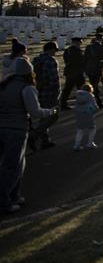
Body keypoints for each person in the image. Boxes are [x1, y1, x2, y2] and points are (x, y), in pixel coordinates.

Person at [0, 59, 56, 214]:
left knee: (16, 164)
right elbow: (35, 112)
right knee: (12, 167)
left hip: (2, 127)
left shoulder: (4, 85)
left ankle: (14, 196)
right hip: (16, 129)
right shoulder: (26, 88)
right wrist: (51, 111)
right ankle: (4, 202)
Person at [31, 42, 61, 149]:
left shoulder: (36, 60)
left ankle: (45, 140)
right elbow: (54, 80)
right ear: (51, 49)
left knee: (44, 116)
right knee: (54, 115)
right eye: (55, 49)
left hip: (38, 90)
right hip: (50, 92)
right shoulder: (51, 61)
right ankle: (34, 135)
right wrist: (57, 93)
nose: (56, 52)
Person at [83, 34, 103, 107]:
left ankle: (95, 102)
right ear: (101, 39)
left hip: (89, 68)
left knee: (93, 85)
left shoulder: (88, 47)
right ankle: (98, 103)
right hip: (97, 69)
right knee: (95, 87)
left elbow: (85, 58)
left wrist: (85, 69)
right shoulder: (102, 47)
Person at [60, 37, 85, 110]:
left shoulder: (67, 50)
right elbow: (80, 61)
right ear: (76, 42)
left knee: (67, 89)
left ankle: (63, 104)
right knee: (81, 89)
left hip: (69, 71)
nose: (81, 43)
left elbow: (66, 60)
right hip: (77, 72)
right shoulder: (77, 51)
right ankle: (82, 103)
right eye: (80, 42)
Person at [73, 84, 98, 151]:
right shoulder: (90, 97)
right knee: (92, 129)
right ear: (90, 90)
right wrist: (95, 110)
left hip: (80, 116)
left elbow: (76, 107)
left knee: (80, 131)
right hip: (88, 115)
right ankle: (90, 143)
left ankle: (77, 145)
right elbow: (94, 107)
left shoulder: (78, 96)